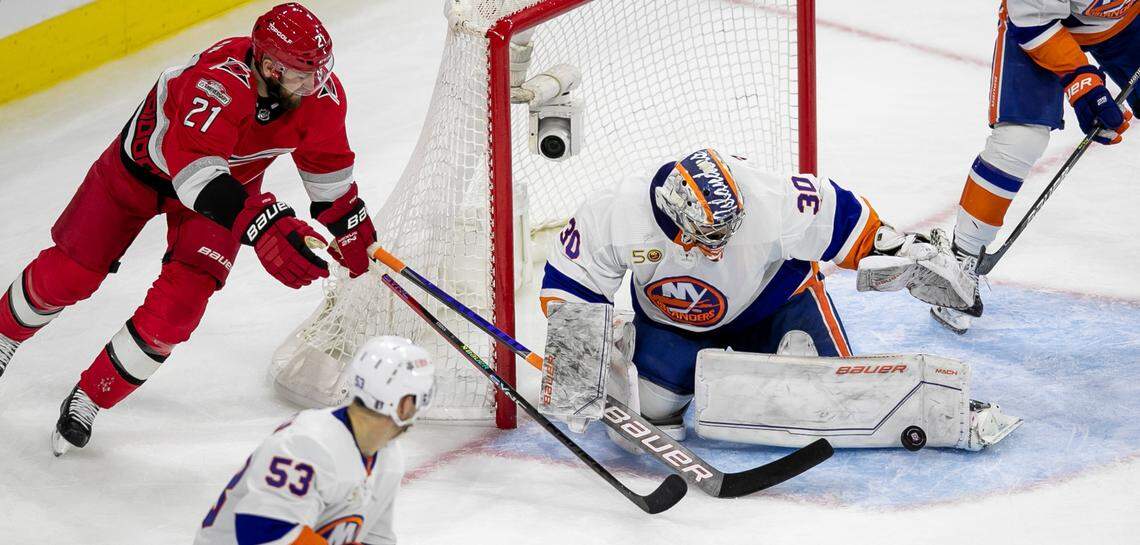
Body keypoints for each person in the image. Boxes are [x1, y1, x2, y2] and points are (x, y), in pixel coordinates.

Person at [0, 3, 379, 455]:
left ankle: (90, 399)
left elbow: (330, 180)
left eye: (319, 71)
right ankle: (4, 337)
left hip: (222, 196)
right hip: (138, 176)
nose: (314, 84)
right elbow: (195, 175)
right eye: (302, 74)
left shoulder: (321, 99)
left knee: (178, 310)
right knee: (71, 274)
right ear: (269, 65)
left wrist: (357, 235)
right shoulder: (217, 83)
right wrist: (263, 223)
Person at [537, 148, 1019, 449]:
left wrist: (906, 253)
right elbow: (570, 287)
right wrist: (582, 368)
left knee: (835, 402)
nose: (718, 248)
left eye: (727, 233)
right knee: (649, 414)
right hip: (673, 322)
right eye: (708, 237)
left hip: (777, 304)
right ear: (674, 214)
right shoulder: (613, 213)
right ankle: (648, 370)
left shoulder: (771, 196)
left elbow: (850, 222)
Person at [933, 0, 1138, 334]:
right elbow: (1034, 19)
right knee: (1019, 138)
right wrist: (1080, 81)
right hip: (1042, 24)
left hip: (1127, 20)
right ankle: (960, 263)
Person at [195, 336, 435, 545]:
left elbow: (375, 539)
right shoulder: (305, 445)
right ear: (404, 404)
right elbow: (262, 531)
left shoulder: (388, 458)